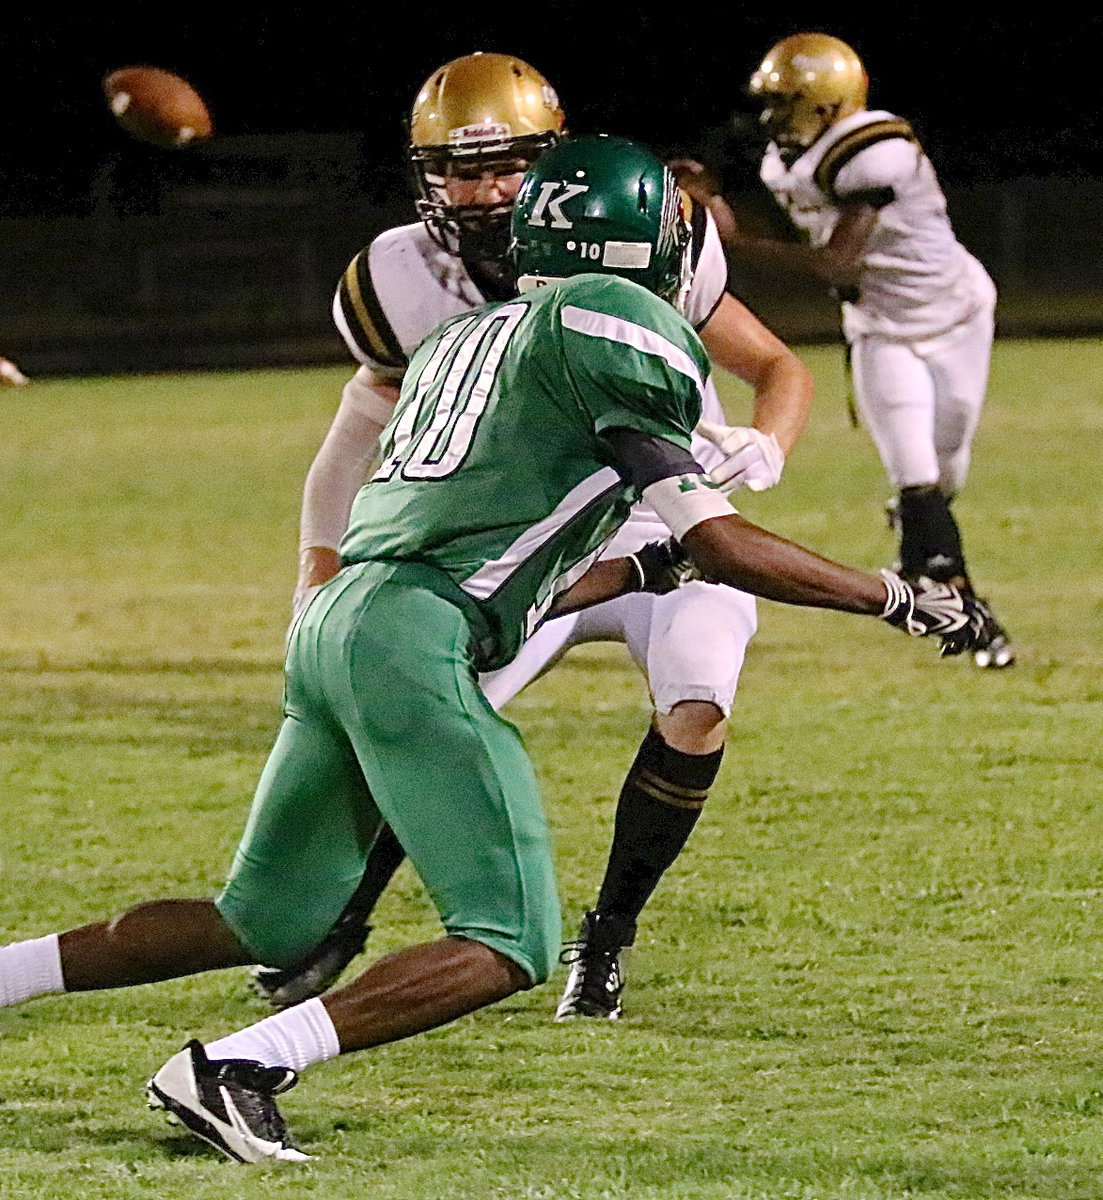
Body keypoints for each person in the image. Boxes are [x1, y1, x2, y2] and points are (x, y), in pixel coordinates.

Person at [0, 134, 991, 1164]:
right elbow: (718, 538)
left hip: (340, 620)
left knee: (263, 919)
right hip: (411, 637)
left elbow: (509, 552)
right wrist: (892, 595)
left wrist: (640, 576)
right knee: (503, 940)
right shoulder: (612, 323)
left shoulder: (459, 340)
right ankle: (237, 1067)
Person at [255, 49, 818, 1023]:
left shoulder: (649, 235)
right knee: (437, 708)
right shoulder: (398, 277)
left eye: (504, 166)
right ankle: (341, 920)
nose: (482, 191)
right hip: (526, 543)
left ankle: (607, 934)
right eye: (458, 170)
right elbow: (348, 445)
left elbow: (777, 367)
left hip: (661, 517)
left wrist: (762, 447)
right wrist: (319, 569)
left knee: (697, 702)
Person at [699, 31, 1014, 671]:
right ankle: (965, 609)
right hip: (879, 326)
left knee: (947, 470)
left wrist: (728, 238)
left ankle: (919, 534)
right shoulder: (780, 161)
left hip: (957, 314)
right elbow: (837, 264)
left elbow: (837, 258)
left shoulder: (878, 151)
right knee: (919, 475)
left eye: (785, 103)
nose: (771, 119)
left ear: (828, 105)